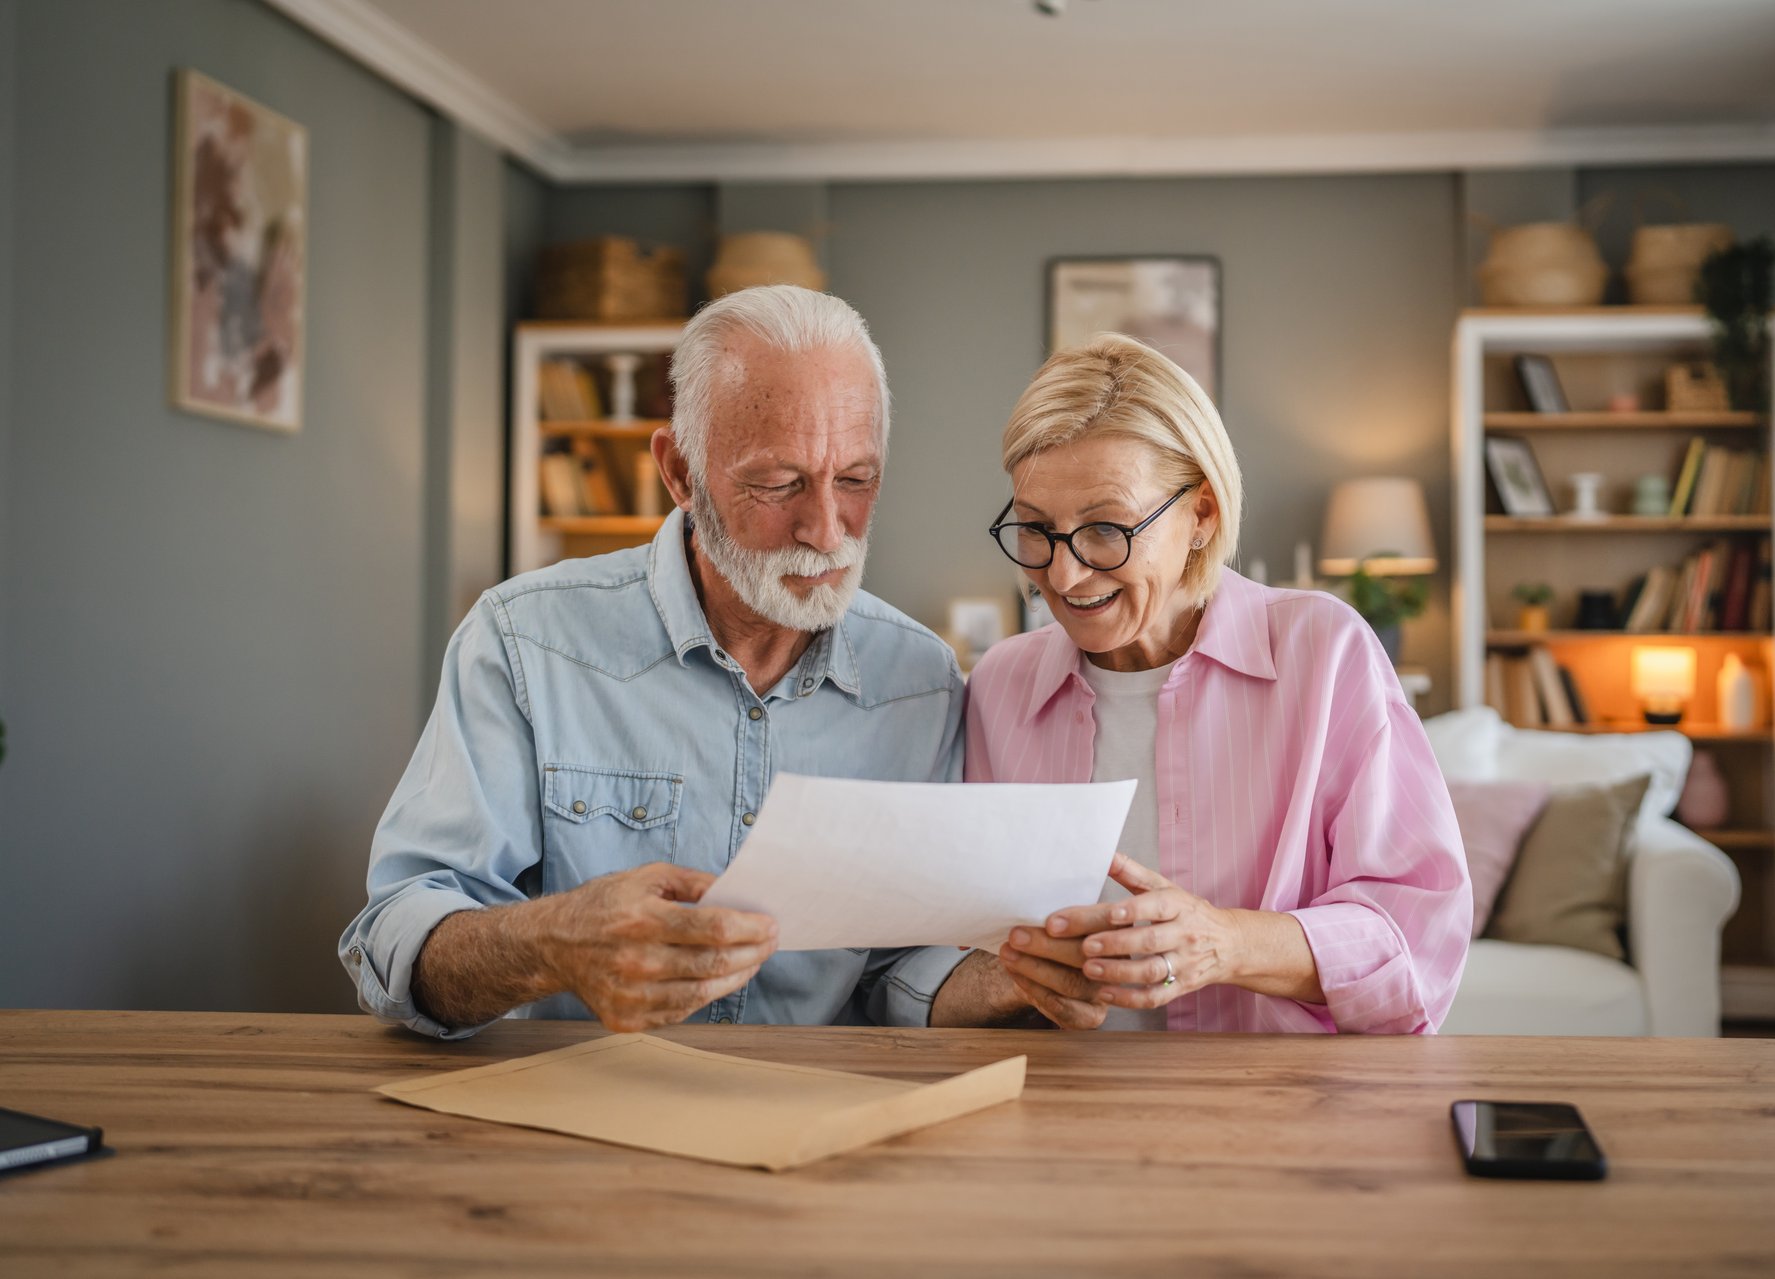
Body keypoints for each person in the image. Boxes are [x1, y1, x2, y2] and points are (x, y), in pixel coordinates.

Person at [340, 286, 1023, 1038]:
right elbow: (396, 934)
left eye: (856, 478)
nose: (828, 530)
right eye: (779, 483)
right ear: (679, 472)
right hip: (578, 1117)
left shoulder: (920, 681)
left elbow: (896, 966)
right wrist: (551, 942)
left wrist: (1011, 981)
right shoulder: (523, 642)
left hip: (821, 1120)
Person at [968, 334, 1472, 1033]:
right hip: (1055, 1102)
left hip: (1277, 1108)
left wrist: (1226, 943)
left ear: (1200, 514)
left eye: (1106, 529)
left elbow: (1417, 943)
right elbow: (962, 943)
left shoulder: (1322, 653)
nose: (1064, 576)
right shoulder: (999, 686)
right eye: (1035, 529)